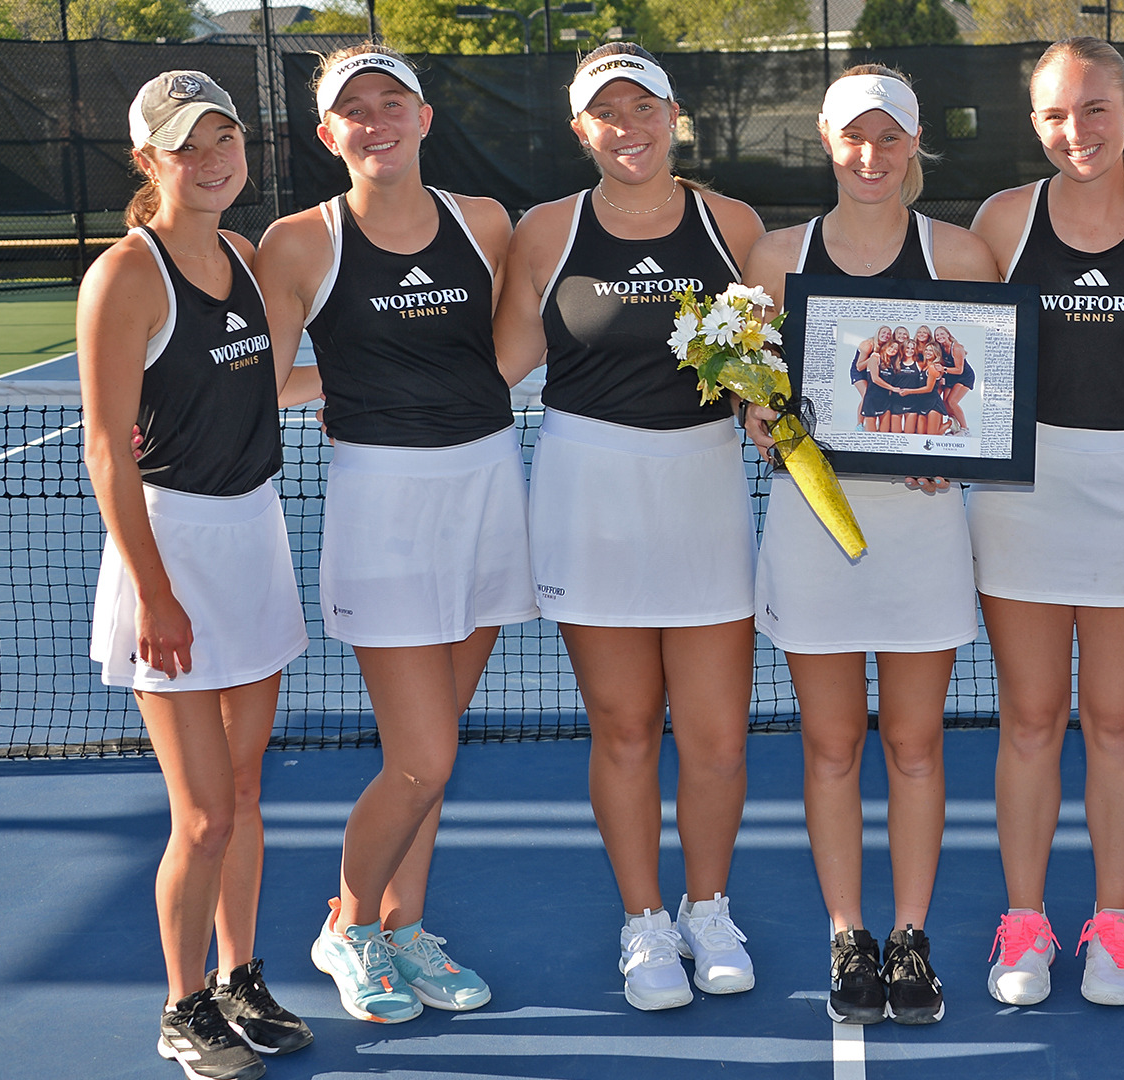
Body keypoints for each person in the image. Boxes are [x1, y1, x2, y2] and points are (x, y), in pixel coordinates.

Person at [254, 43, 535, 1024]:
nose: (375, 121)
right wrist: (351, 388)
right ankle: (348, 925)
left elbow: (516, 339)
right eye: (353, 111)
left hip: (490, 494)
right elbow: (264, 380)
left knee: (437, 751)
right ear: (328, 135)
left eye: (392, 102)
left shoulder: (487, 223)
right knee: (423, 756)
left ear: (424, 118)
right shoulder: (297, 243)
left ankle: (402, 929)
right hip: (385, 512)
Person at [493, 42, 765, 1012]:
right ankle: (645, 924)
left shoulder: (731, 224)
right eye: (607, 114)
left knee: (718, 737)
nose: (629, 128)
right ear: (582, 131)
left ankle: (707, 908)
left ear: (672, 114)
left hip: (701, 489)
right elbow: (497, 367)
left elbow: (768, 366)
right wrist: (365, 398)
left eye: (642, 109)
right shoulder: (545, 232)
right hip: (587, 492)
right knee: (622, 727)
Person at [741, 63, 1000, 1026]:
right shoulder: (774, 258)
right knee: (832, 742)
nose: (870, 155)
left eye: (889, 137)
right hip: (813, 532)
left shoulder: (963, 255)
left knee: (917, 742)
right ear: (826, 142)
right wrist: (758, 419)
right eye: (854, 136)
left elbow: (984, 389)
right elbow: (752, 391)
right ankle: (849, 932)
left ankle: (912, 937)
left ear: (914, 146)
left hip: (923, 531)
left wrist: (956, 448)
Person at [80, 71, 312, 1080]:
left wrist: (412, 367)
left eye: (225, 137)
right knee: (205, 813)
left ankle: (239, 976)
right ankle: (182, 1007)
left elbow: (277, 386)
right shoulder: (124, 277)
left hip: (253, 537)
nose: (214, 158)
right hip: (169, 552)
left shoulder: (251, 260)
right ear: (149, 162)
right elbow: (103, 447)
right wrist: (157, 592)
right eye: (187, 145)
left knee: (248, 793)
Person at [967, 36, 1124, 1008]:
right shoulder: (1002, 222)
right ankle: (1025, 925)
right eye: (1058, 116)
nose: (1079, 131)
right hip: (1023, 495)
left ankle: (1114, 927)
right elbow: (962, 362)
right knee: (1029, 721)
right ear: (1036, 125)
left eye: (1095, 109)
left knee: (1116, 723)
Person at [932, 327, 973, 434]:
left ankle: (965, 429)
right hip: (950, 376)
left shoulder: (956, 348)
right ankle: (955, 426)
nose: (940, 337)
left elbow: (959, 370)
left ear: (948, 334)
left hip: (963, 376)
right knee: (945, 402)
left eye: (942, 334)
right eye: (937, 335)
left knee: (952, 401)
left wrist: (943, 369)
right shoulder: (940, 347)